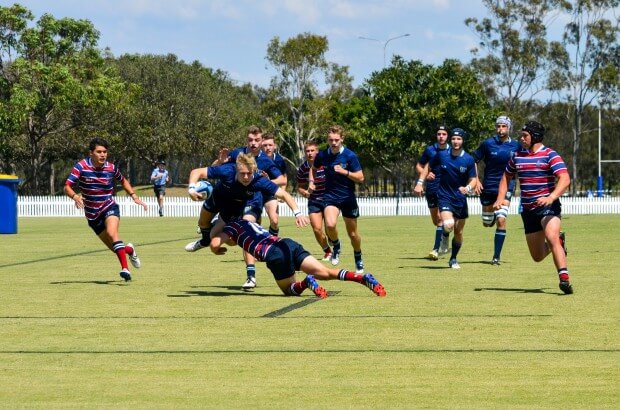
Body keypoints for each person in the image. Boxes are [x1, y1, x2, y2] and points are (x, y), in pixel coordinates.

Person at [185, 154, 309, 287]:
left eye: (249, 173)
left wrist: (298, 213)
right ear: (236, 169)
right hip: (216, 199)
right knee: (202, 223)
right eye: (242, 173)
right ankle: (204, 241)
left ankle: (213, 231)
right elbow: (196, 172)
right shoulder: (227, 170)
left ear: (254, 171)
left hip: (233, 209)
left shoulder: (259, 180)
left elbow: (283, 194)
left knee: (229, 240)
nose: (245, 177)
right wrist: (191, 188)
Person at [210, 218, 387, 298]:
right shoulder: (247, 221)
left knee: (289, 290)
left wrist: (215, 247)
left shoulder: (230, 228)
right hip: (287, 244)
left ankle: (306, 282)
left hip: (275, 254)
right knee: (325, 273)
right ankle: (362, 278)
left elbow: (216, 243)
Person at [494, 120, 573, 294]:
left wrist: (551, 197)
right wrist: (500, 197)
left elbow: (565, 178)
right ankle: (560, 242)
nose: (521, 139)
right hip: (528, 210)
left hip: (548, 207)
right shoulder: (517, 156)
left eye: (525, 136)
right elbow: (506, 176)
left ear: (535, 137)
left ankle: (564, 278)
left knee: (551, 237)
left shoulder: (550, 155)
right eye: (521, 135)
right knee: (537, 256)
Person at [212, 126, 286, 289]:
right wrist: (220, 162)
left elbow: (282, 180)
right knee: (229, 238)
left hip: (254, 200)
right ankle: (208, 234)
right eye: (250, 140)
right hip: (233, 200)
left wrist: (265, 182)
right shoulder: (236, 154)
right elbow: (215, 168)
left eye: (257, 140)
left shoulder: (267, 160)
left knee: (257, 225)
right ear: (246, 140)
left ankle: (251, 275)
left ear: (261, 140)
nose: (253, 143)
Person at [64, 137, 147, 281]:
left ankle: (125, 269)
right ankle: (130, 250)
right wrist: (75, 197)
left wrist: (134, 196)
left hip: (109, 206)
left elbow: (123, 180)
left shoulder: (111, 168)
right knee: (115, 248)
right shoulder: (81, 166)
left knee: (112, 233)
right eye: (99, 152)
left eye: (105, 152)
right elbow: (67, 186)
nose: (103, 155)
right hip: (92, 215)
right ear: (91, 153)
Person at [311, 125, 365, 273]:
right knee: (329, 224)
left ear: (342, 139)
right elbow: (314, 168)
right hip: (330, 196)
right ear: (327, 140)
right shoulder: (322, 155)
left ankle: (358, 256)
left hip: (348, 198)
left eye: (336, 140)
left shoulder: (350, 156)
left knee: (353, 234)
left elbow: (360, 177)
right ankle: (336, 246)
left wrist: (345, 172)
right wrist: (312, 182)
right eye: (331, 140)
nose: (334, 143)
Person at [426, 128, 477, 269]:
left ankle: (453, 258)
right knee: (448, 224)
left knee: (459, 232)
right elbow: (428, 166)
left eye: (459, 139)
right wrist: (427, 175)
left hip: (460, 199)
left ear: (462, 141)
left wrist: (467, 188)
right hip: (444, 196)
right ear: (451, 140)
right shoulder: (442, 155)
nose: (456, 141)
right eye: (454, 138)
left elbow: (473, 179)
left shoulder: (468, 159)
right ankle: (444, 237)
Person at [473, 115, 521, 265]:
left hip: (507, 186)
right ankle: (490, 216)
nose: (500, 129)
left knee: (501, 219)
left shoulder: (516, 146)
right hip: (488, 186)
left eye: (504, 126)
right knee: (487, 223)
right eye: (498, 126)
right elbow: (472, 161)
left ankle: (496, 256)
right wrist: (476, 180)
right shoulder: (487, 144)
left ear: (509, 127)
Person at [413, 125, 451, 260]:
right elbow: (419, 165)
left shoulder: (452, 151)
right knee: (436, 221)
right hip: (432, 188)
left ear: (448, 136)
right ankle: (444, 239)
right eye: (439, 134)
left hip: (446, 189)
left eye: (444, 134)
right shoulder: (430, 150)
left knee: (441, 219)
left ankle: (436, 249)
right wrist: (425, 175)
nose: (441, 136)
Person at [297, 140, 332, 261]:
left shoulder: (325, 164)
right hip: (314, 201)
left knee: (329, 226)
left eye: (312, 151)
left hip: (329, 199)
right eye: (307, 151)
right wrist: (305, 192)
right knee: (317, 228)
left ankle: (333, 239)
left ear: (317, 152)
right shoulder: (303, 169)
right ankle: (327, 251)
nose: (310, 153)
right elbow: (300, 187)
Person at [261, 132, 288, 236]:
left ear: (275, 146)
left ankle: (272, 242)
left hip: (271, 193)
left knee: (275, 221)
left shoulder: (279, 160)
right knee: (252, 223)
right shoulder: (255, 157)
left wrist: (283, 192)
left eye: (270, 145)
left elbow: (284, 178)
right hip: (255, 193)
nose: (268, 148)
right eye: (265, 145)